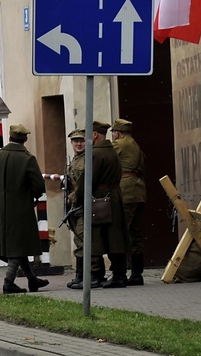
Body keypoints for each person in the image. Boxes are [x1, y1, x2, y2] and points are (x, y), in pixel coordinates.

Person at [0, 124, 49, 294]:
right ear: (25, 139)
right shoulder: (27, 158)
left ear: (9, 137)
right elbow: (39, 186)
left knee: (17, 244)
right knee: (17, 246)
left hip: (0, 209)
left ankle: (32, 280)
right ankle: (8, 282)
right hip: (21, 209)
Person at [74, 121, 130, 288]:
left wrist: (77, 198)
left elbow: (87, 180)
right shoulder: (112, 151)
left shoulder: (95, 153)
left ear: (95, 135)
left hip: (98, 200)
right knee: (115, 239)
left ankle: (95, 276)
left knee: (95, 238)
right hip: (113, 197)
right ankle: (119, 275)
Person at [64, 129, 106, 289]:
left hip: (85, 203)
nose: (79, 144)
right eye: (75, 141)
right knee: (79, 240)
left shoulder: (88, 159)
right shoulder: (75, 160)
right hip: (75, 205)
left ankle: (94, 275)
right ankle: (80, 275)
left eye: (81, 141)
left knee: (86, 240)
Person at [111, 118, 147, 286]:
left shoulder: (120, 144)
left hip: (126, 192)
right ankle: (137, 274)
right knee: (135, 234)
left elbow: (104, 156)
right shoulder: (135, 145)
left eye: (113, 133)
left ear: (117, 133)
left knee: (121, 232)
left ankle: (120, 273)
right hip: (139, 191)